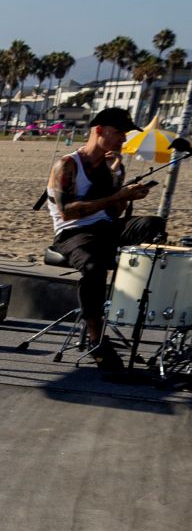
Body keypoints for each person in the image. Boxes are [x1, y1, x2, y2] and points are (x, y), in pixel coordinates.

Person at [47, 107, 165, 370]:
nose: (122, 140)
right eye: (119, 134)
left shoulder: (113, 166)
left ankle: (129, 300)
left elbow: (113, 212)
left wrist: (121, 187)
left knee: (153, 224)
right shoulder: (67, 165)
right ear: (99, 131)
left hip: (105, 228)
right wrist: (117, 195)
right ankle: (96, 339)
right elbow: (67, 212)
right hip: (73, 232)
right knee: (93, 267)